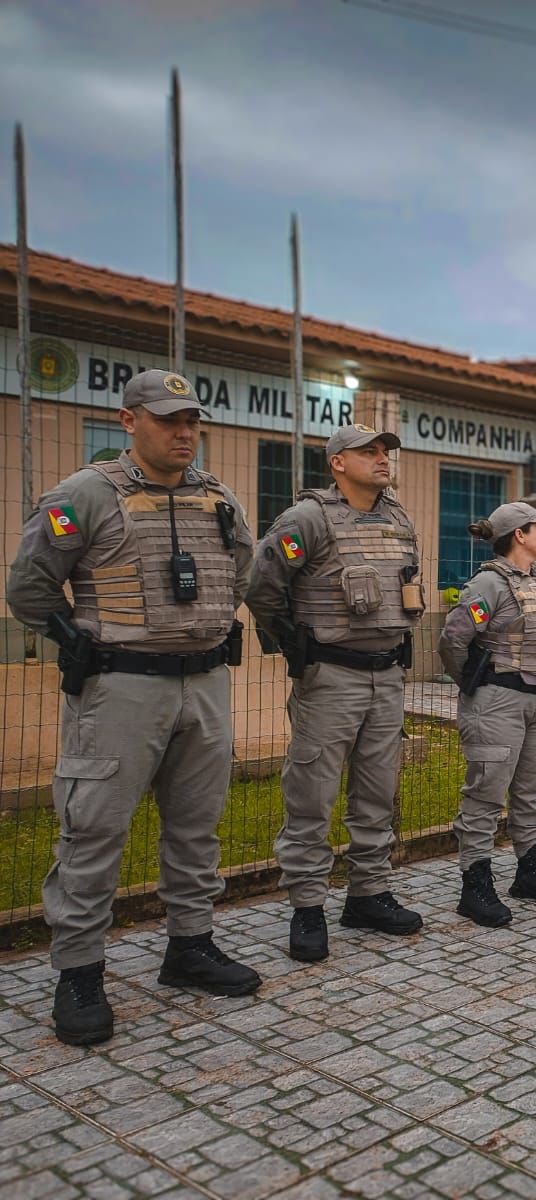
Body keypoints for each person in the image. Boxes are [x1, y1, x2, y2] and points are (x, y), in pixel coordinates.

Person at [5, 369, 260, 1045]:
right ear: (128, 421)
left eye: (192, 422)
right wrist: (72, 641)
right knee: (94, 829)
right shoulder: (84, 495)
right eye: (169, 419)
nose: (184, 432)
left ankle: (190, 947)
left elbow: (244, 568)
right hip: (119, 688)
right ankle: (81, 971)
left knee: (197, 825)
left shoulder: (219, 499)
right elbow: (30, 587)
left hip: (204, 685)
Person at [247, 424, 426, 963]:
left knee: (377, 791)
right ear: (337, 464)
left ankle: (368, 894)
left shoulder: (397, 517)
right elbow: (261, 587)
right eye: (367, 451)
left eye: (385, 451)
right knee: (312, 793)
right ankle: (307, 906)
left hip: (387, 674)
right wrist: (293, 644)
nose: (381, 458)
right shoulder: (308, 519)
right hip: (330, 677)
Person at [438, 502, 536, 927]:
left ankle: (529, 870)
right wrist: (473, 684)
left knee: (531, 791)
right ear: (519, 534)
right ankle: (475, 882)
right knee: (485, 793)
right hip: (498, 700)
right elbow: (453, 639)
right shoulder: (489, 584)